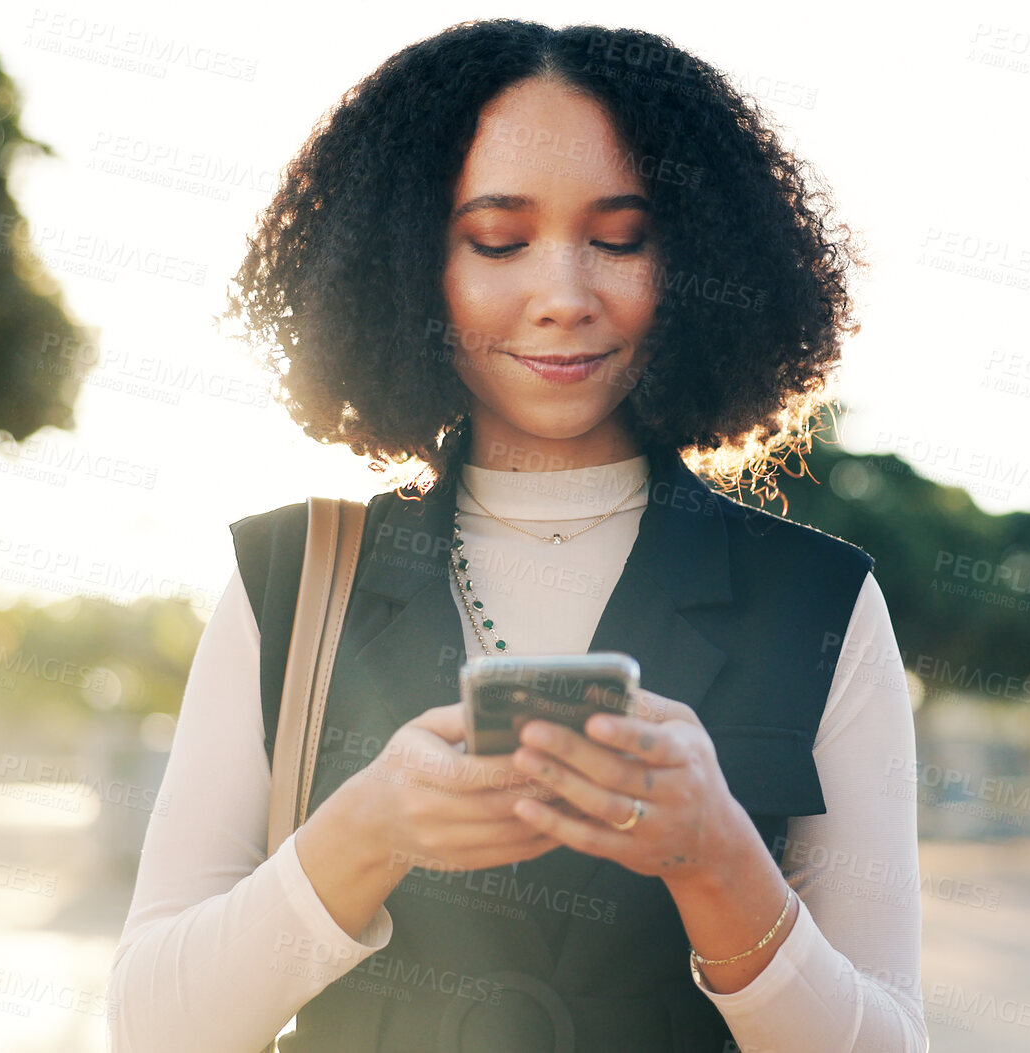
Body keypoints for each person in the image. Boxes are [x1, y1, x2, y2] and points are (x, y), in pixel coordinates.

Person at [107, 18, 926, 1053]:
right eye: (498, 239)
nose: (563, 298)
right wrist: (369, 832)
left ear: (692, 261)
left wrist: (717, 861)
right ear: (412, 266)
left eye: (619, 239)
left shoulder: (820, 602)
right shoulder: (292, 579)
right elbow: (149, 1028)